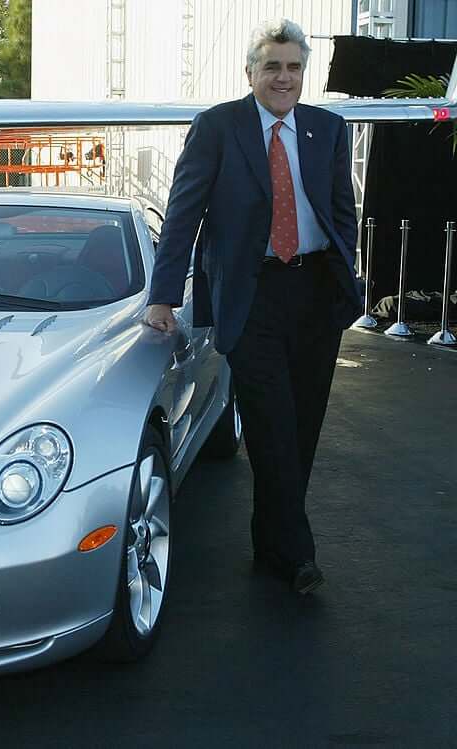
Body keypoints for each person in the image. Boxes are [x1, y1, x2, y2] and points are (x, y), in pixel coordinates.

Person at [144, 18, 362, 595]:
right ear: (251, 72)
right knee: (270, 425)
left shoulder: (327, 129)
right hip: (253, 294)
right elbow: (184, 212)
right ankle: (298, 556)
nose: (284, 78)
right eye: (273, 67)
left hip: (316, 292)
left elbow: (343, 213)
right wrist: (163, 296)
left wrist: (348, 278)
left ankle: (271, 545)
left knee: (304, 428)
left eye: (294, 67)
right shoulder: (218, 128)